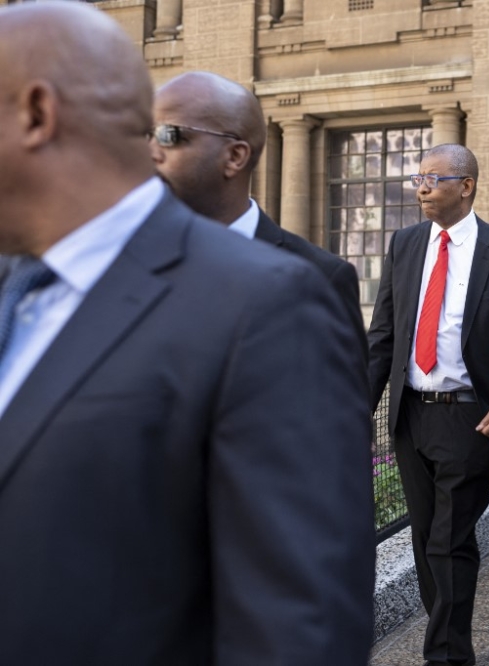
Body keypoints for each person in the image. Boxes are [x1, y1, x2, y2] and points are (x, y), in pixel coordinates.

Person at [0, 3, 375, 664]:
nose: (155, 147)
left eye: (169, 135)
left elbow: (296, 623)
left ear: (36, 113)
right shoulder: (18, 282)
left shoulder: (273, 301)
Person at [367, 143, 489, 666]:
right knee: (424, 539)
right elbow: (384, 336)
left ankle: (444, 655)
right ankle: (448, 643)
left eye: (433, 178)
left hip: (471, 415)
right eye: (418, 177)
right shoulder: (406, 243)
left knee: (450, 538)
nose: (421, 186)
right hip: (411, 413)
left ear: (466, 186)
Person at [150, 71, 366, 351]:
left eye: (168, 135)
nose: (151, 152)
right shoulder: (126, 261)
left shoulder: (320, 278)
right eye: (145, 135)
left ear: (234, 156)